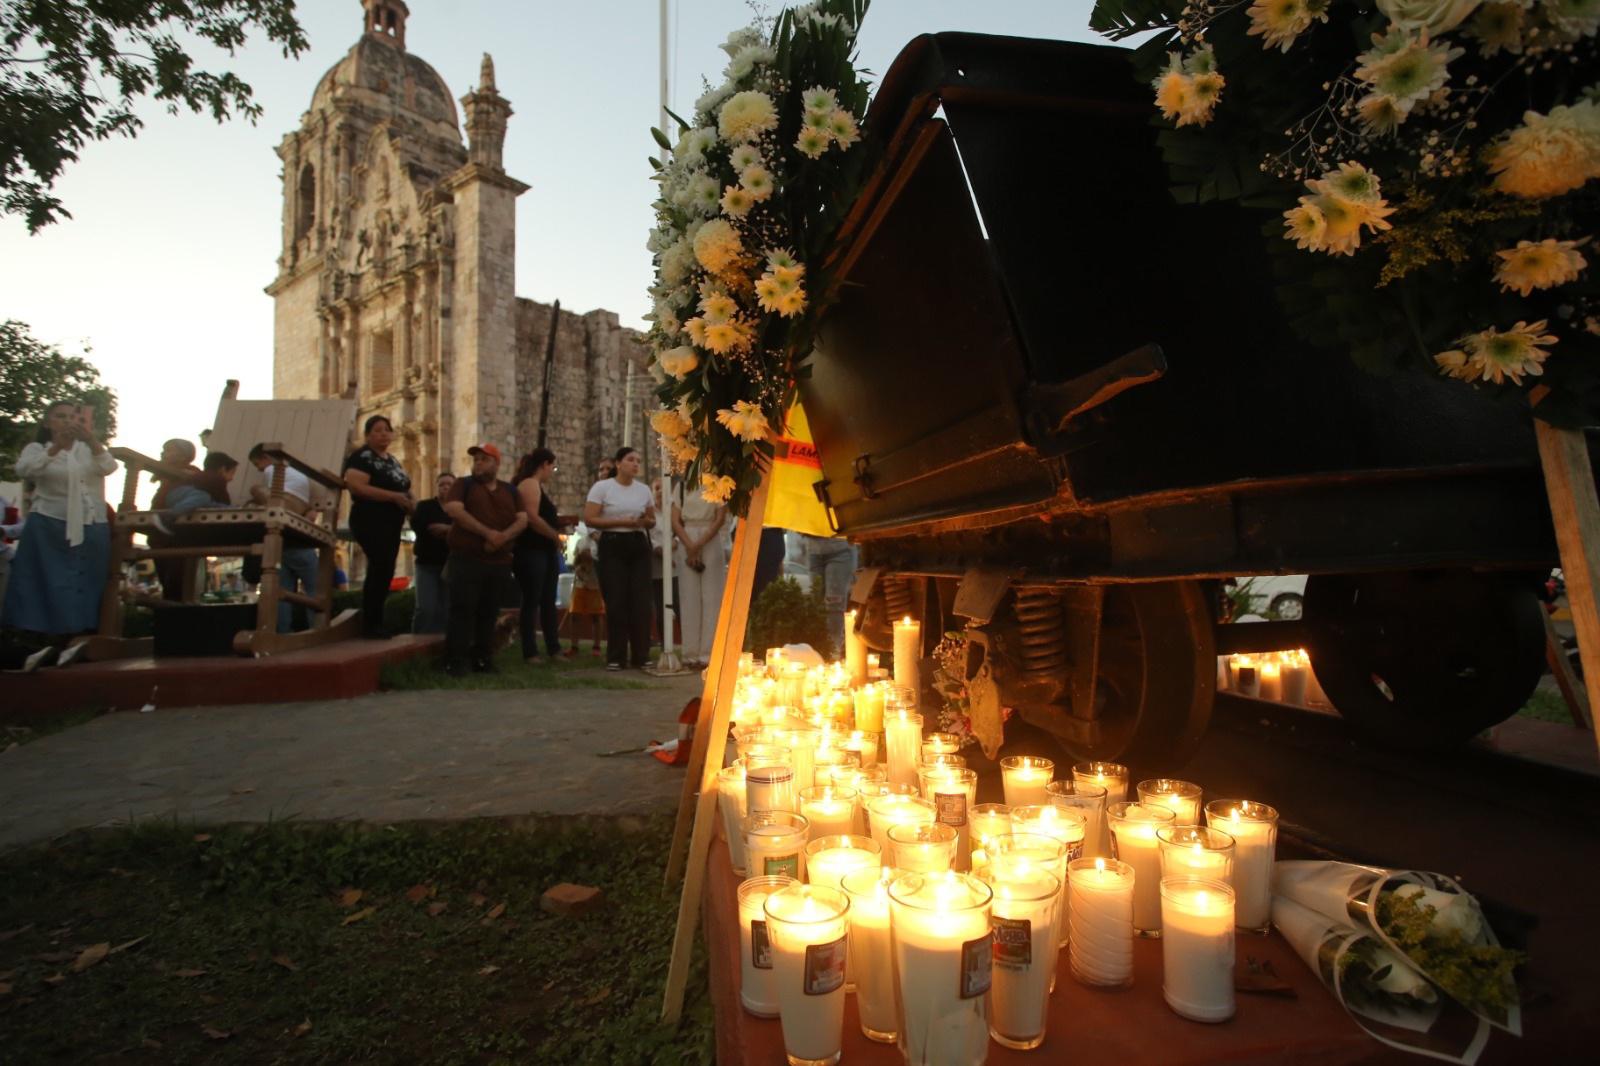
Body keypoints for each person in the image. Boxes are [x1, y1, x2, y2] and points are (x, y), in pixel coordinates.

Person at [1, 402, 118, 652]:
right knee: (47, 578)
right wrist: (56, 448)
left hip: (91, 522)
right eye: (60, 417)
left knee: (86, 578)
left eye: (71, 417)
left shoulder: (89, 451)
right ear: (48, 422)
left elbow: (108, 466)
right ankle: (38, 638)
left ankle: (81, 634)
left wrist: (91, 440)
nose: (67, 421)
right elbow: (26, 470)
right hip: (49, 521)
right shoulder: (38, 448)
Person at [441, 444, 525, 675]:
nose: (478, 463)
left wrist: (502, 538)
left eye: (484, 459)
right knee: (462, 610)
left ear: (496, 463)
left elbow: (522, 519)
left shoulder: (510, 491)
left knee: (488, 612)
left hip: (498, 563)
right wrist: (487, 534)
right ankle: (455, 660)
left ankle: (482, 658)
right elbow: (454, 510)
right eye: (476, 459)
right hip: (467, 559)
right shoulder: (463, 485)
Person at [583, 446, 654, 671]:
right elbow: (590, 518)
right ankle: (616, 655)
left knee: (640, 601)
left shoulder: (643, 490)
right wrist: (621, 522)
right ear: (618, 463)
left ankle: (641, 654)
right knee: (616, 600)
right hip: (613, 543)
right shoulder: (603, 488)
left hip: (637, 543)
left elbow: (651, 518)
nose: (635, 464)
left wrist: (644, 522)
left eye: (638, 460)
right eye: (630, 460)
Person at [342, 415, 413, 638]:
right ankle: (371, 624)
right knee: (380, 565)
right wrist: (393, 497)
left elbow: (405, 488)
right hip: (369, 519)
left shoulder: (393, 461)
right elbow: (355, 486)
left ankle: (376, 621)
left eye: (386, 430)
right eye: (377, 430)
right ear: (367, 436)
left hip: (392, 523)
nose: (383, 434)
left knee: (385, 570)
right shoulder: (361, 457)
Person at [247, 443, 317, 632]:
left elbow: (271, 493)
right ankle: (315, 628)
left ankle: (281, 631)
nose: (259, 469)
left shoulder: (273, 469)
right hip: (297, 520)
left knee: (255, 490)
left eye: (257, 464)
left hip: (284, 508)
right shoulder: (297, 474)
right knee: (312, 588)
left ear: (265, 458)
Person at [512, 449, 564, 663]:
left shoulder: (535, 485)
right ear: (544, 464)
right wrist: (554, 535)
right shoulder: (529, 484)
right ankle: (530, 651)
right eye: (552, 467)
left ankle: (553, 648)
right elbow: (532, 517)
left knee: (548, 600)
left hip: (544, 551)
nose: (552, 471)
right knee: (532, 600)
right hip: (531, 550)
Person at [673, 481, 728, 668]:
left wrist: (699, 544)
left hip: (710, 536)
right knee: (689, 597)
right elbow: (675, 519)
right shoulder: (681, 486)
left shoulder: (717, 484)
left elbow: (720, 518)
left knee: (712, 597)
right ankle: (690, 653)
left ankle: (708, 653)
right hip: (687, 534)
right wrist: (689, 544)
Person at [409, 472, 455, 634]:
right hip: (426, 564)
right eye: (442, 484)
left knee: (445, 608)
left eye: (449, 484)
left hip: (449, 564)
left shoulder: (458, 510)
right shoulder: (425, 506)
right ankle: (417, 643)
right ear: (436, 487)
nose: (445, 487)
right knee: (425, 607)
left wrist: (447, 529)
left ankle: (440, 644)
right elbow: (420, 526)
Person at [801, 532, 857, 658]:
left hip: (840, 548)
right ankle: (819, 654)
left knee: (834, 605)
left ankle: (833, 654)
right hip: (813, 549)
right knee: (817, 606)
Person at [565, 523, 605, 658]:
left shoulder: (603, 542)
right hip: (580, 583)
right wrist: (580, 568)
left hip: (596, 584)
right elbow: (575, 561)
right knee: (574, 615)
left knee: (596, 615)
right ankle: (574, 646)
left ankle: (597, 646)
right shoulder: (581, 542)